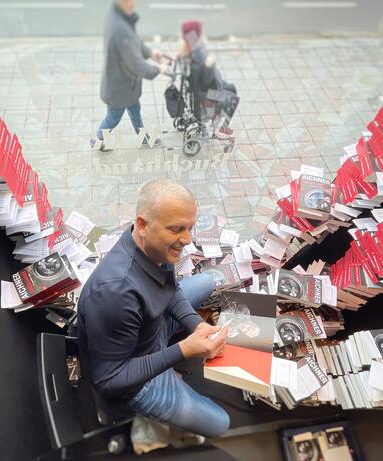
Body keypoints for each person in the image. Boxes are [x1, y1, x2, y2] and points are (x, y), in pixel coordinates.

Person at [76, 178, 230, 438]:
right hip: (136, 380)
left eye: (190, 228)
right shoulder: (115, 294)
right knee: (220, 424)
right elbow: (109, 382)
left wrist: (197, 324)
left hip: (149, 330)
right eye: (177, 229)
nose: (187, 240)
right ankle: (144, 416)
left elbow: (169, 290)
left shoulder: (154, 247)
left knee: (209, 280)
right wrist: (183, 350)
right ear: (142, 225)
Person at [93, 0, 168, 151]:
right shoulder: (121, 30)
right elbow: (137, 65)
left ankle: (143, 139)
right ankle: (98, 140)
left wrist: (150, 53)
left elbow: (134, 41)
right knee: (113, 117)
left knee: (135, 109)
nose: (132, 3)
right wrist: (159, 69)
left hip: (125, 85)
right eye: (127, 1)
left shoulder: (117, 17)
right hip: (120, 89)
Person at [179, 20, 236, 136]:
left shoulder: (188, 49)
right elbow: (209, 82)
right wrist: (210, 65)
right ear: (197, 34)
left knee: (231, 88)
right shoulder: (200, 56)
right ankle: (222, 126)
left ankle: (220, 121)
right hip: (208, 94)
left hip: (199, 90)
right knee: (233, 97)